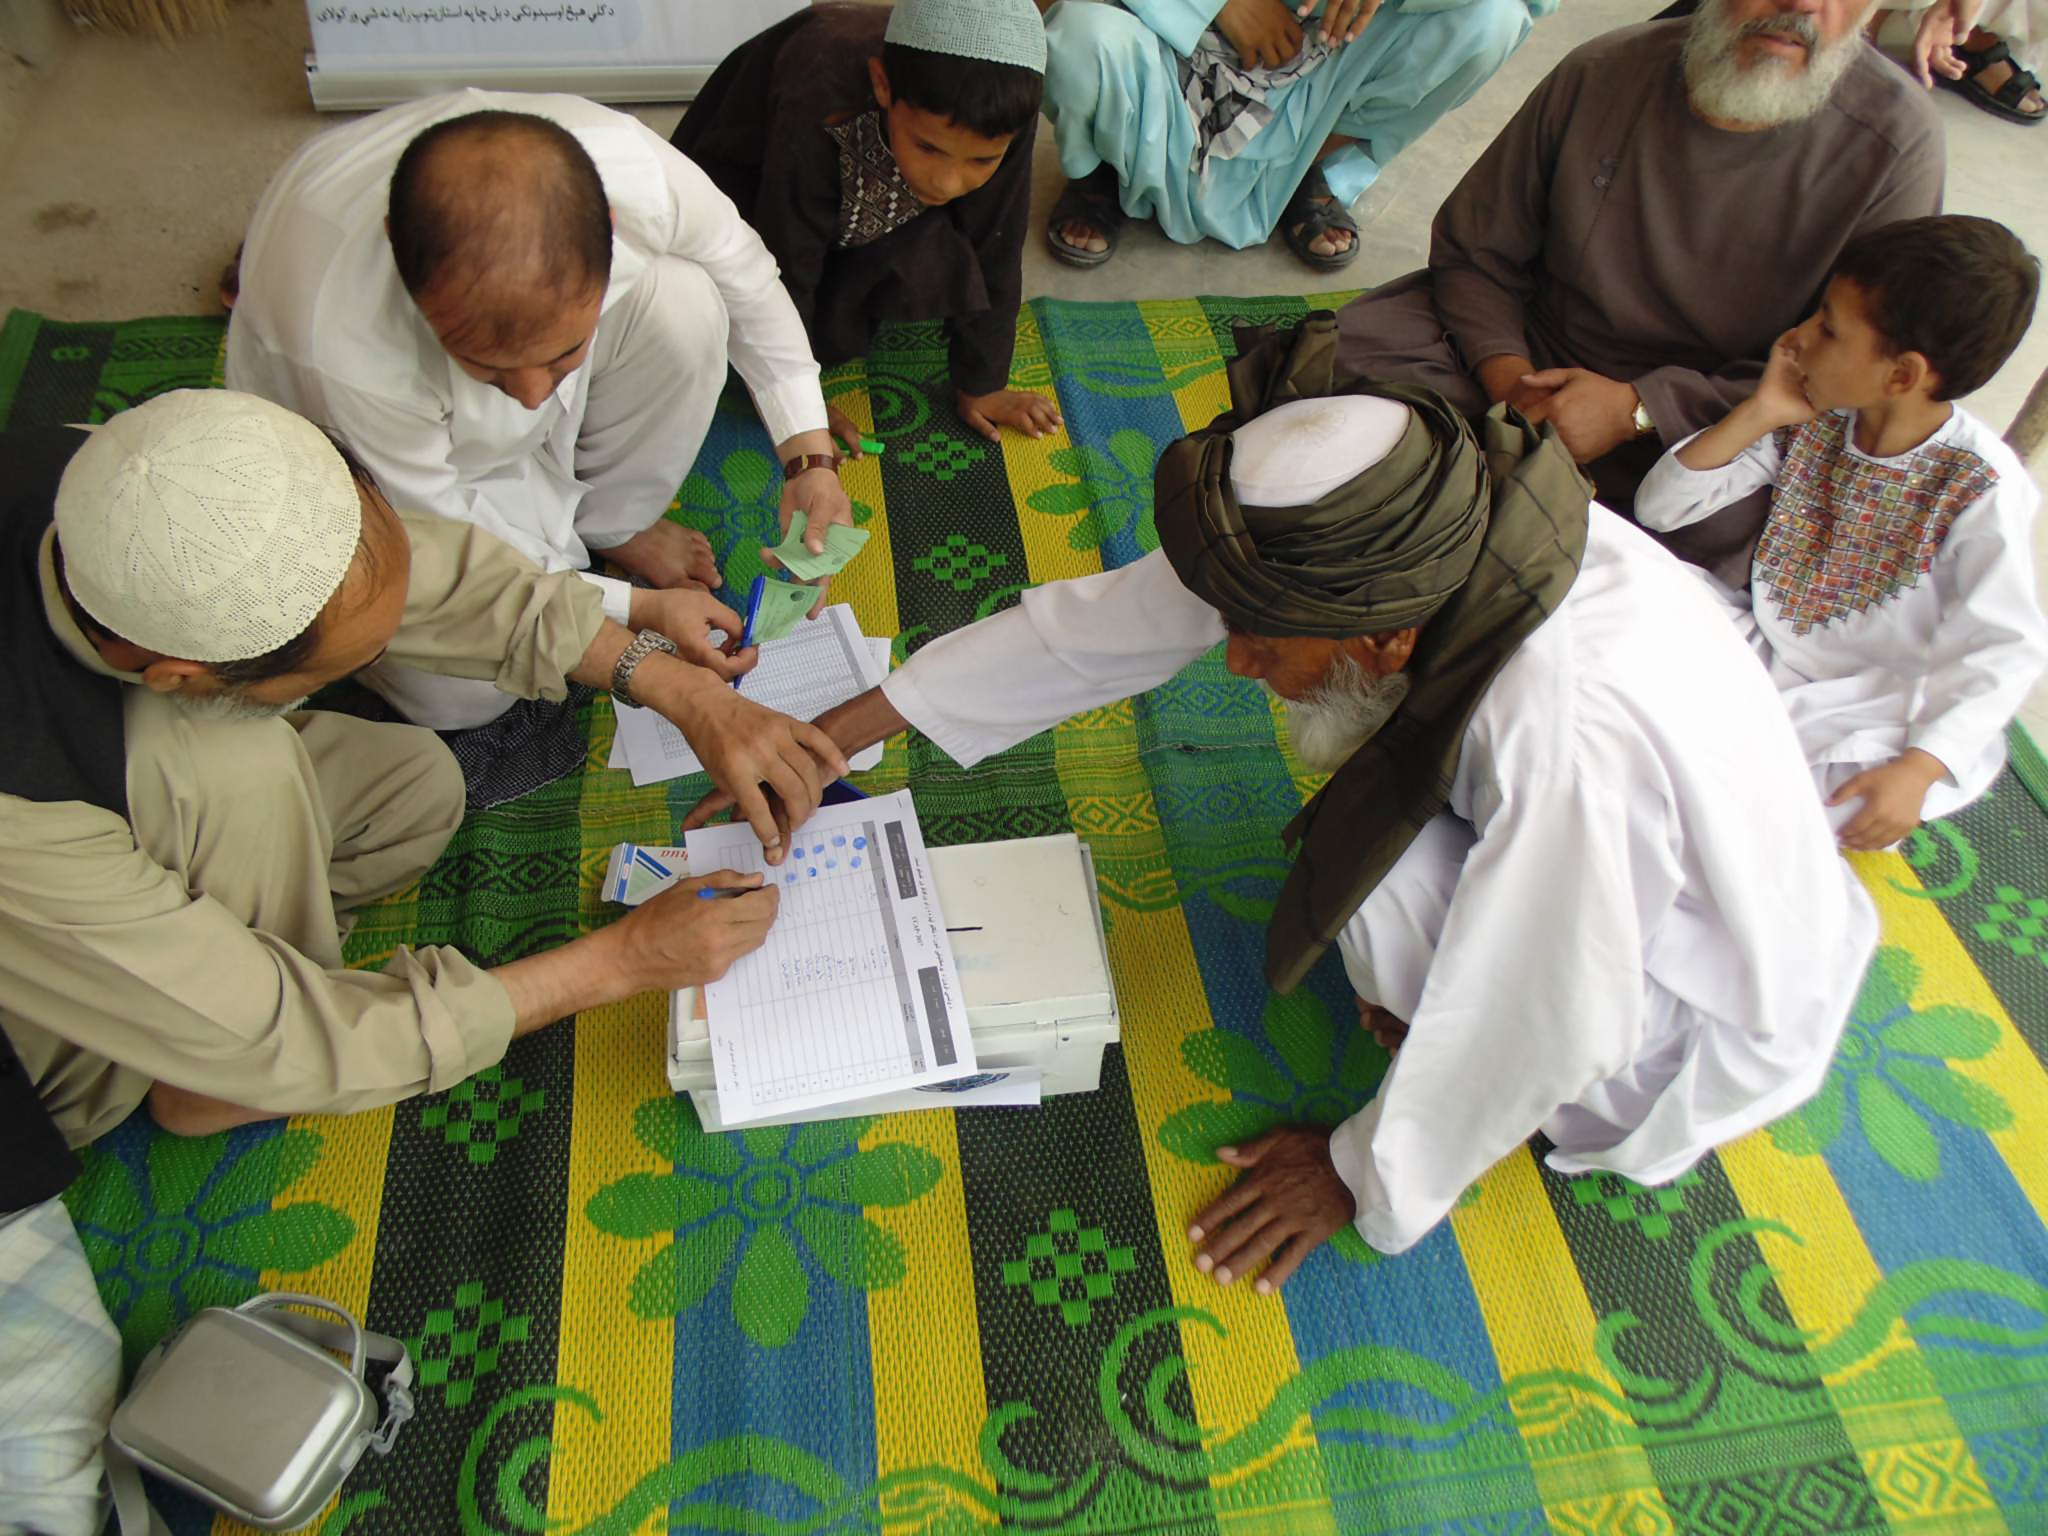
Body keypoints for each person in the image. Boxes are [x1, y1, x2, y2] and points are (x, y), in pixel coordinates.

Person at [689, 316, 1879, 1271]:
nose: (1236, 664)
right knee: (1369, 833)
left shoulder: (1564, 733)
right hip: (1598, 872)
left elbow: (1547, 1003)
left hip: (1686, 1000)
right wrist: (826, 741)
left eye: (1261, 644)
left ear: (1388, 642)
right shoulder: (1407, 527)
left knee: (1374, 895)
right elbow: (1093, 628)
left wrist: (1364, 1172)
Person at [1, 390, 849, 1147]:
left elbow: (435, 582)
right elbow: (288, 1037)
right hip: (44, 1021)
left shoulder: (144, 478)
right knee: (240, 764)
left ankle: (214, 962)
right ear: (183, 679)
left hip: (135, 801)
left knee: (416, 785)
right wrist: (621, 961)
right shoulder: (26, 825)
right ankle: (200, 1076)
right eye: (347, 661)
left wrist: (673, 686)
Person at [225, 92, 853, 731]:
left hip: (459, 460)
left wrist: (810, 459)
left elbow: (750, 284)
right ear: (401, 256)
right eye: (486, 367)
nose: (531, 398)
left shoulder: (636, 173)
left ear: (610, 225)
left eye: (562, 354)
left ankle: (611, 523)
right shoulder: (333, 340)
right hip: (396, 497)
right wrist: (635, 610)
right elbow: (438, 546)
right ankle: (571, 541)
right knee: (465, 697)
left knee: (686, 306)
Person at [1332, 0, 1945, 567]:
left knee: (1733, 531)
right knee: (1347, 357)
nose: (1804, 6)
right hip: (1525, 362)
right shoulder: (1608, 66)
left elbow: (1849, 371)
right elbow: (1476, 252)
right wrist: (1513, 390)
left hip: (1706, 422)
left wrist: (1640, 409)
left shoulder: (1897, 145)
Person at [1637, 216, 2046, 850]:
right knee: (1609, 566)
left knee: (1813, 801)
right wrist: (1761, 410)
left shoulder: (1982, 486)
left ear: (1903, 375)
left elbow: (2005, 647)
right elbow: (1661, 510)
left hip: (1866, 708)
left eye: (1827, 327)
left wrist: (1919, 769)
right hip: (1758, 642)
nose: (1795, 338)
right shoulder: (1819, 417)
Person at [672, 0, 1062, 451]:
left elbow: (998, 236)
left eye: (981, 159)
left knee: (942, 262)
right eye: (929, 147)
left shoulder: (1008, 105)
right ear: (882, 84)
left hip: (854, 197)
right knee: (709, 316)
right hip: (752, 189)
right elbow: (784, 252)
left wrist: (984, 382)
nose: (949, 181)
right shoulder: (819, 87)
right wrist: (795, 403)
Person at [1040, 0, 1546, 270]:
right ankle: (1103, 170)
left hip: (1325, 59)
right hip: (1163, 41)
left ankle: (1310, 171)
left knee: (1491, 18)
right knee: (1076, 32)